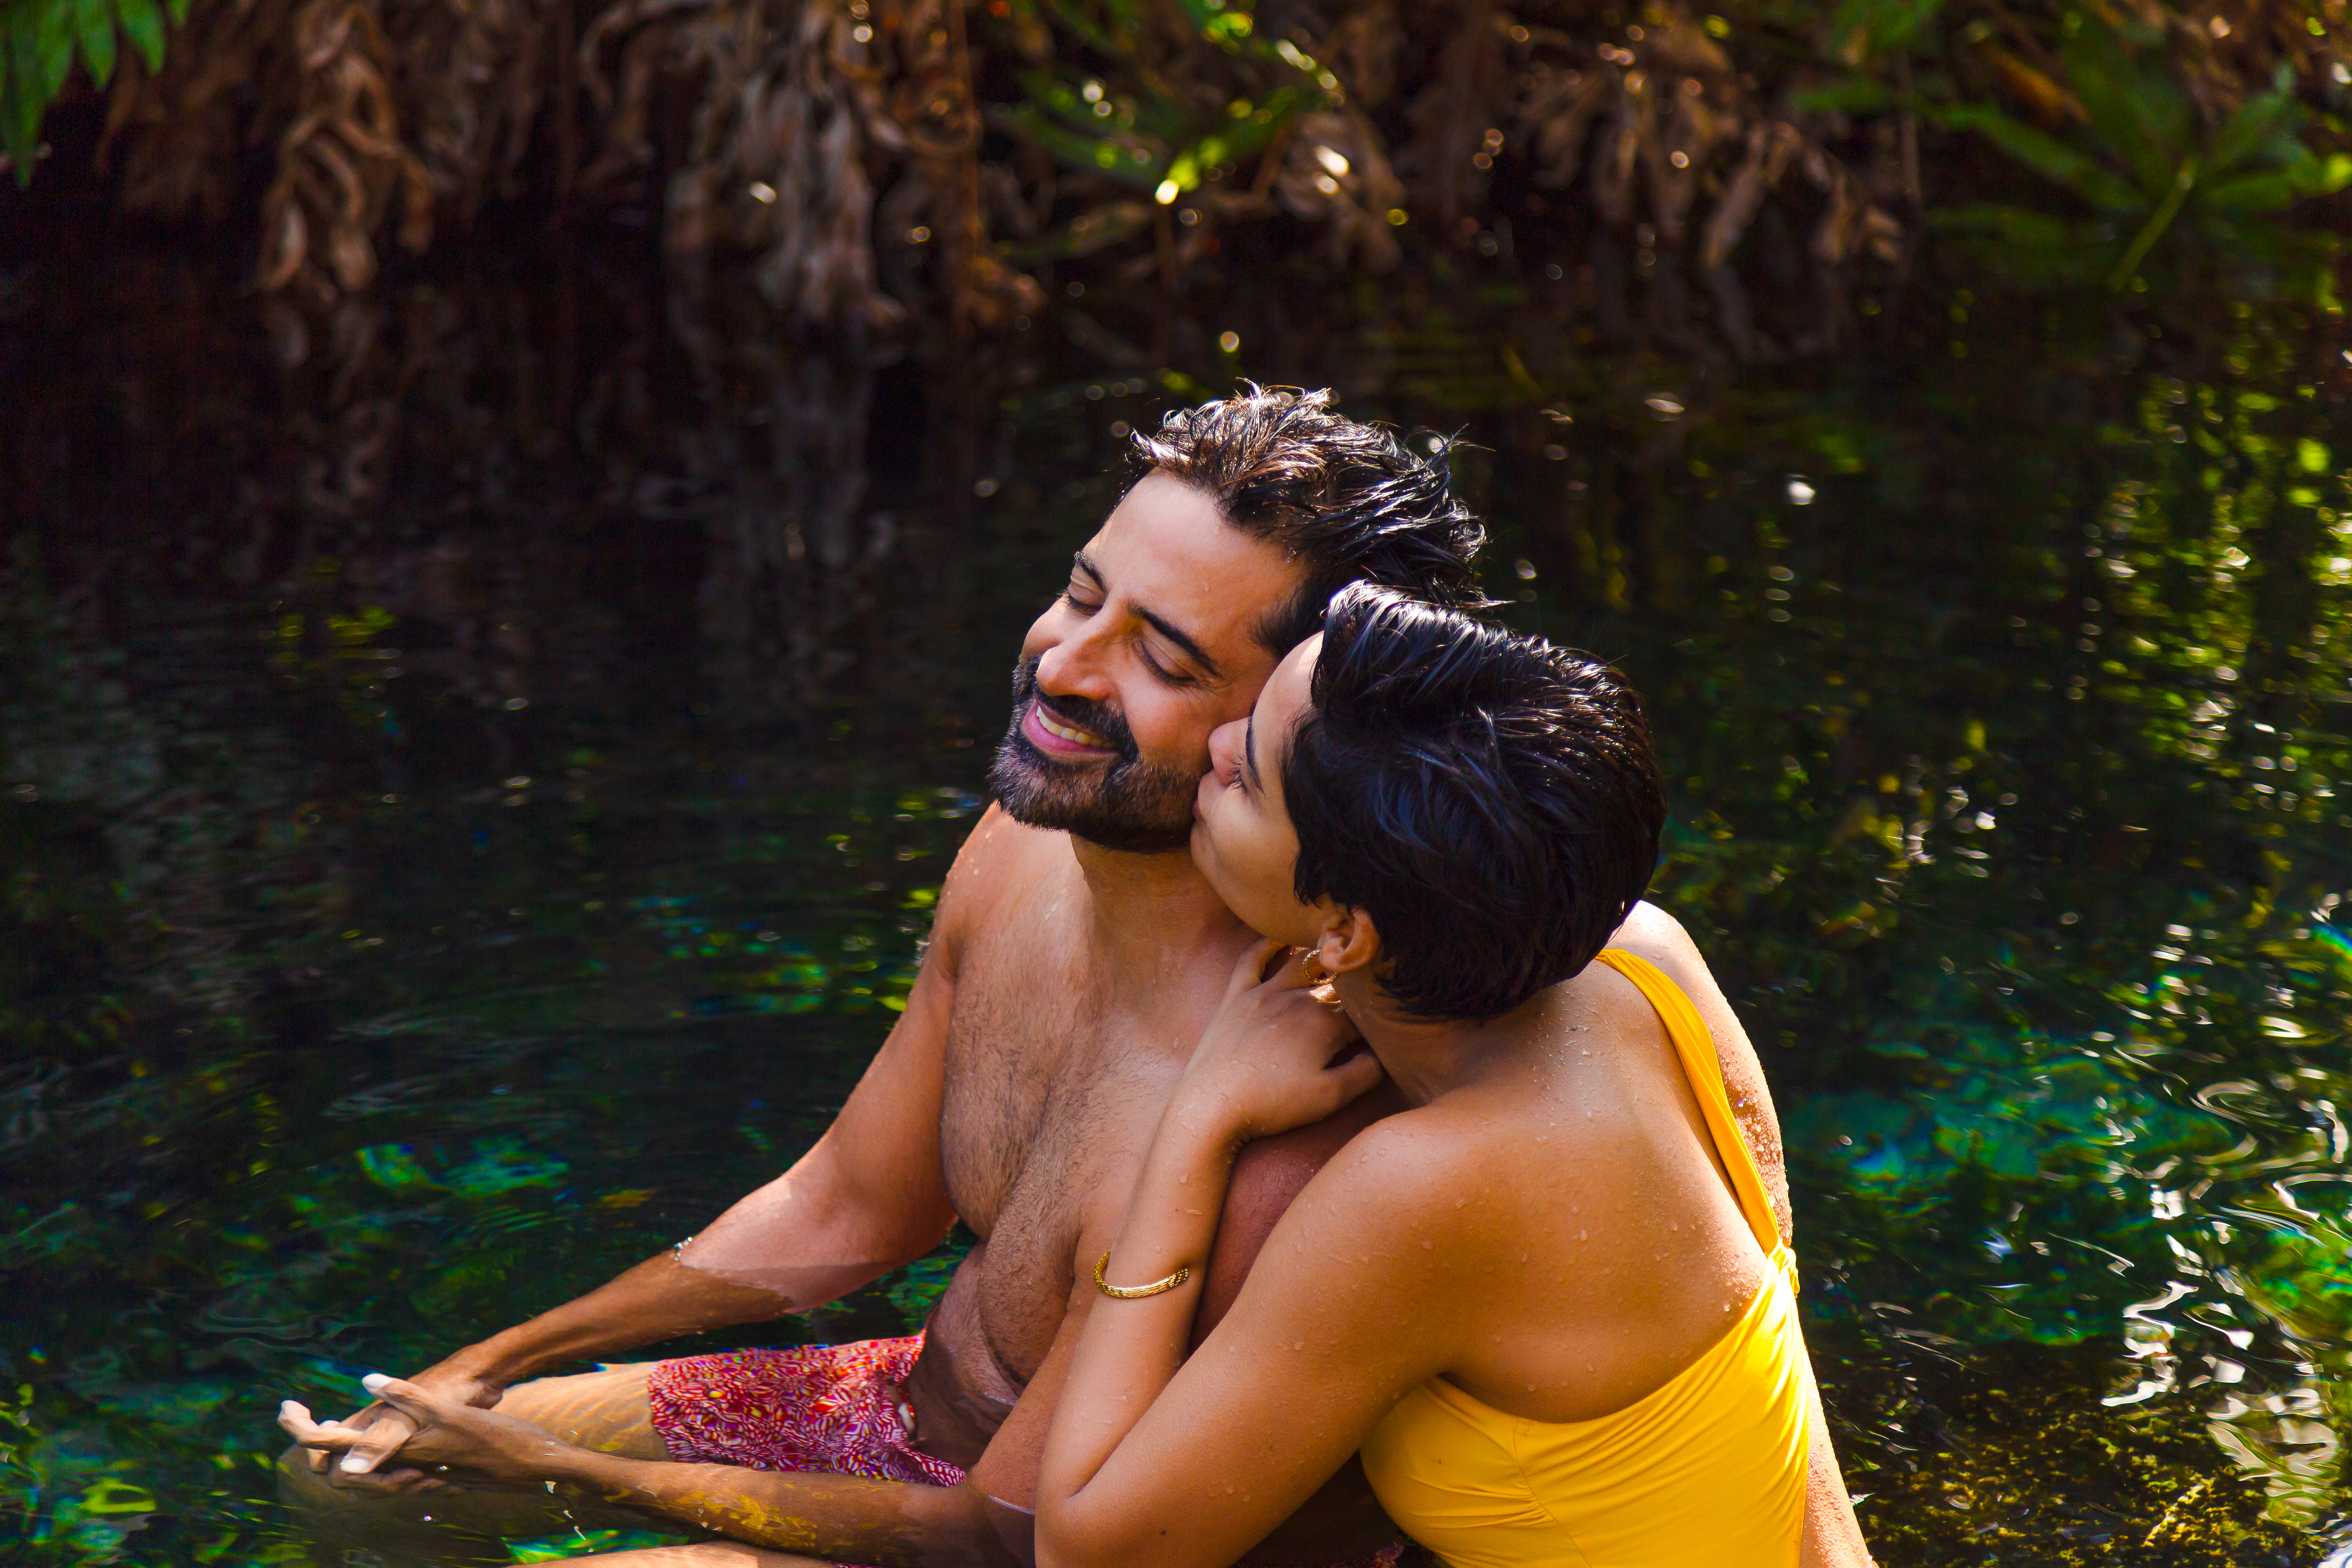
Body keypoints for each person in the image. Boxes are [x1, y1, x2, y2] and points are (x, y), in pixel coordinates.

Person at [276, 389, 1490, 1567]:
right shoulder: (1024, 851)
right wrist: (487, 1367)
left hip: (1011, 1543)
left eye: (1160, 661)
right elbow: (856, 1203)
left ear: (1294, 721)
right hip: (902, 1410)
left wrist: (565, 1478)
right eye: (1079, 595)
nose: (1065, 668)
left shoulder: (1295, 1087)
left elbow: (1014, 1543)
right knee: (354, 1480)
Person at [1029, 585, 1874, 1568]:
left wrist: (1198, 1119)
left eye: (1249, 773)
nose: (1218, 745)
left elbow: (1087, 1552)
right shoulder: (1645, 955)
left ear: (1346, 930)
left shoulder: (1427, 1185)